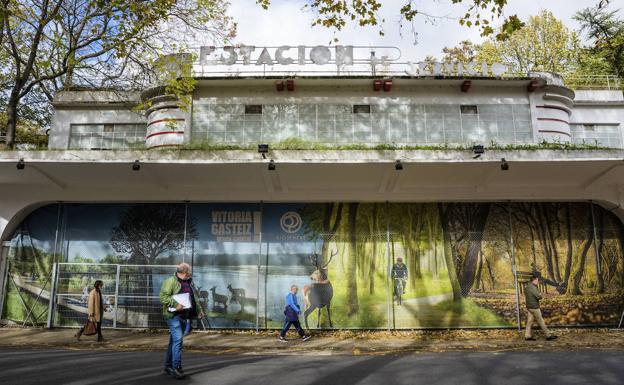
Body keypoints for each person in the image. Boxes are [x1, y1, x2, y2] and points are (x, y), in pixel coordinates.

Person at [159, 262, 204, 380]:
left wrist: (199, 310)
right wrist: (175, 304)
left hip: (184, 315)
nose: (190, 274)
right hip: (173, 315)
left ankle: (168, 366)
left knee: (174, 341)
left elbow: (193, 298)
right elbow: (163, 297)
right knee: (178, 340)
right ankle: (176, 368)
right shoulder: (170, 281)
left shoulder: (188, 282)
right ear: (184, 272)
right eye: (189, 272)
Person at [525, 273, 557, 341]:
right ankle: (548, 336)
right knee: (541, 321)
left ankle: (527, 336)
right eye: (537, 280)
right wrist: (540, 294)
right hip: (534, 307)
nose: (538, 282)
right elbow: (538, 296)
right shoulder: (533, 287)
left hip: (529, 307)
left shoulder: (527, 287)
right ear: (533, 280)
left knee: (529, 322)